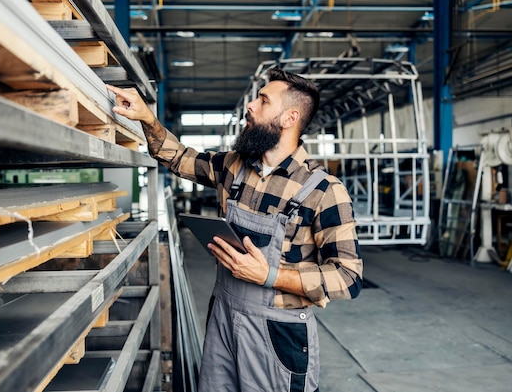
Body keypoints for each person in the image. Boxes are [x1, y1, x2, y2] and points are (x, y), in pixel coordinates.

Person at [108, 67, 363, 392]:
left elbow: (349, 277)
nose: (251, 106)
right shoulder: (234, 166)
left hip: (278, 333)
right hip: (225, 316)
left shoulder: (324, 190)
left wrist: (269, 275)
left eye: (263, 100)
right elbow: (179, 158)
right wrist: (147, 119)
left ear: (289, 118)